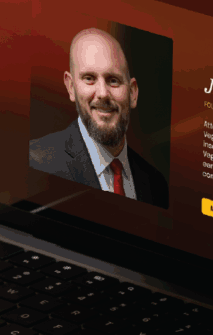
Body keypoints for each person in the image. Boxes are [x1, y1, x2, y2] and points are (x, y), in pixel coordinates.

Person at [29, 27, 169, 207]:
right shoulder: (37, 164)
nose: (103, 93)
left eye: (113, 80)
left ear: (133, 93)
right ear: (71, 87)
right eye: (89, 78)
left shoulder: (155, 184)